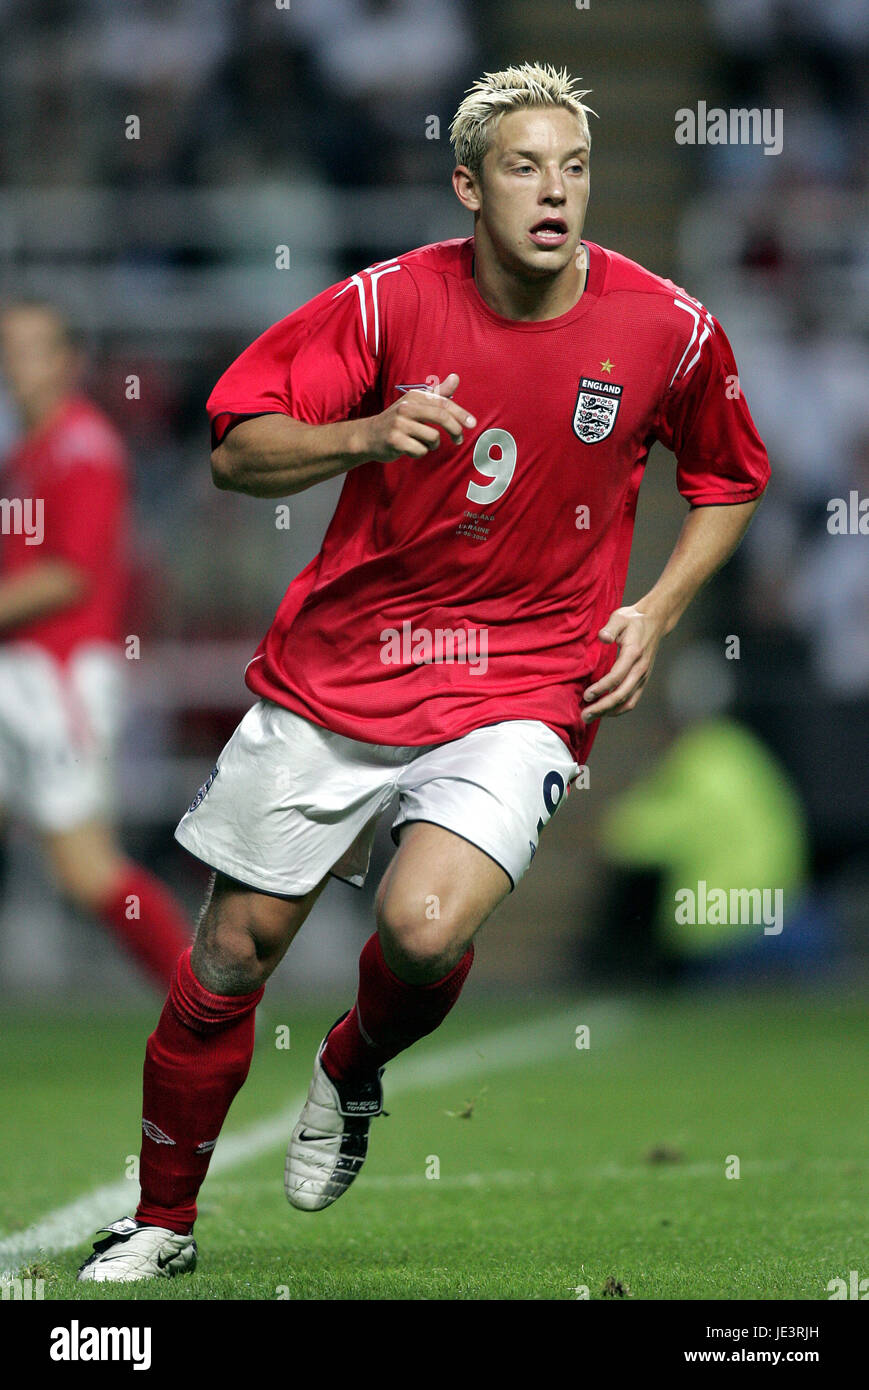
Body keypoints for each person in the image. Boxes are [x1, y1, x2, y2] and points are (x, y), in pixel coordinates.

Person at [78, 62, 770, 1282]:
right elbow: (238, 449)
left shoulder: (665, 325)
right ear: (467, 185)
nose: (554, 192)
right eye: (521, 167)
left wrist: (656, 610)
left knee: (423, 921)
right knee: (234, 952)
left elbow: (726, 473)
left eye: (573, 166)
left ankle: (351, 1068)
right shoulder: (386, 308)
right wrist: (364, 431)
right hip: (345, 669)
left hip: (524, 676)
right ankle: (163, 1225)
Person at [0, 300, 191, 989]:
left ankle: (204, 1003)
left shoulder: (82, 448)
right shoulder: (28, 452)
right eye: (8, 347)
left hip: (59, 676)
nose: (15, 362)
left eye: (30, 348)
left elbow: (67, 576)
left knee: (86, 868)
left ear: (66, 362)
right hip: (21, 667)